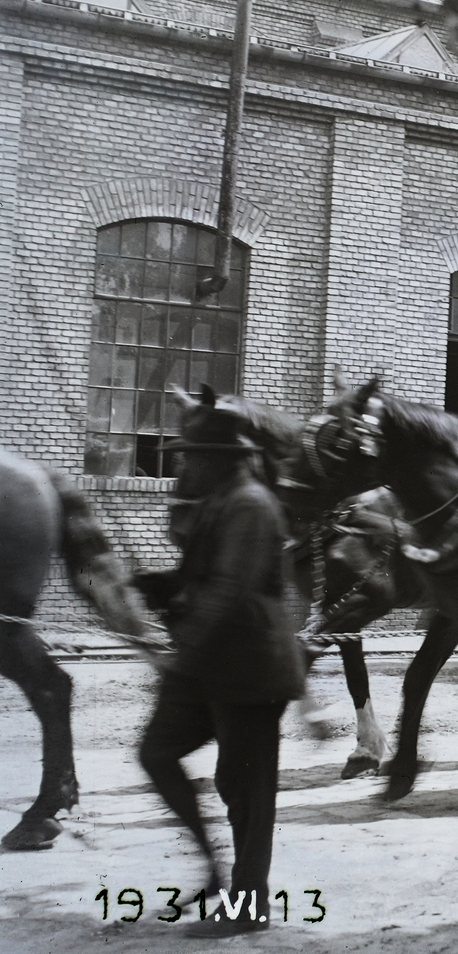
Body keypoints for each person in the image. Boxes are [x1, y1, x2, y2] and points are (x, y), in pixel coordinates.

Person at [132, 390, 306, 936]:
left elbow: (230, 590)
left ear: (217, 460)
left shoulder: (251, 505)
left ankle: (249, 905)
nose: (184, 465)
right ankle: (212, 866)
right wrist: (157, 584)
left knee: (246, 790)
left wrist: (182, 653)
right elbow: (202, 577)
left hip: (252, 666)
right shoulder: (218, 501)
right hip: (214, 662)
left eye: (190, 456)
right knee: (157, 752)